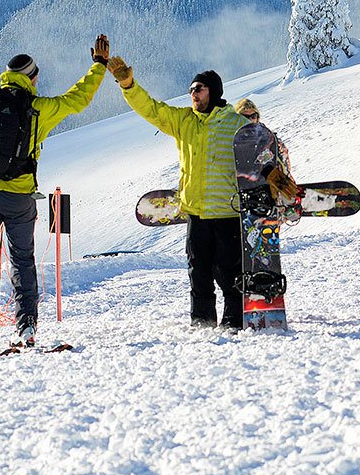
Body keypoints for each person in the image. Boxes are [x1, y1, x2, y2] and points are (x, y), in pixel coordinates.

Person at [0, 36, 110, 350]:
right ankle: (26, 331)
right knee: (22, 262)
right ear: (33, 78)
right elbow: (78, 99)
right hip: (20, 199)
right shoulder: (39, 109)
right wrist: (99, 65)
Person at [107, 58, 252, 329]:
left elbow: (260, 155)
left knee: (230, 276)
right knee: (198, 276)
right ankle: (202, 326)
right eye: (190, 90)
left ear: (214, 91)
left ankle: (234, 326)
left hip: (227, 214)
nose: (193, 94)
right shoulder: (184, 121)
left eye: (198, 88)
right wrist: (127, 84)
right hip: (196, 214)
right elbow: (152, 110)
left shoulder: (235, 124)